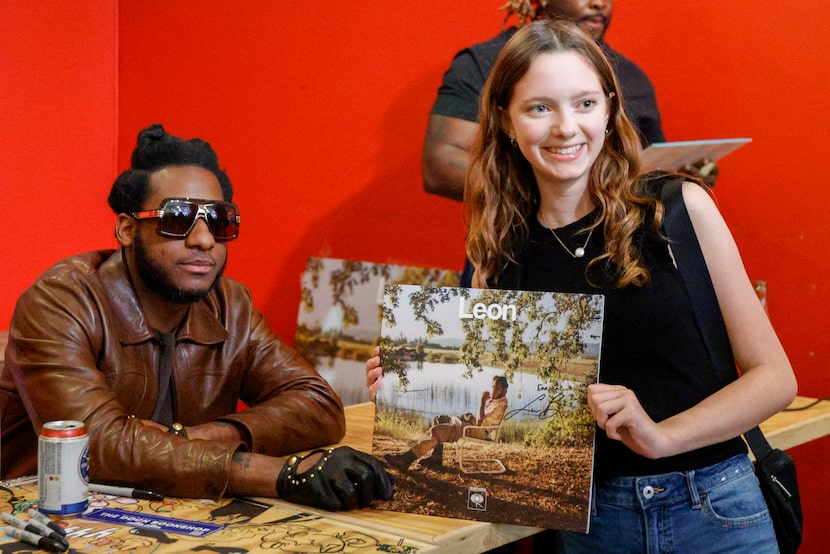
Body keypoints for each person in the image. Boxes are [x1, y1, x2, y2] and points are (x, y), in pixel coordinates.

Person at [372, 20, 796, 552]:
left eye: (585, 103)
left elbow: (775, 378)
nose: (566, 128)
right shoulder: (500, 249)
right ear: (505, 120)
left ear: (611, 108)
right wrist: (411, 390)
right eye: (539, 107)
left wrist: (664, 437)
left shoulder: (677, 210)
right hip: (586, 526)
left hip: (712, 509)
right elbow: (504, 419)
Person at [0, 124, 393, 512]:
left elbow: (318, 405)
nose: (204, 239)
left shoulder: (230, 304)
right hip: (40, 515)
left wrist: (190, 437)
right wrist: (280, 474)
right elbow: (93, 446)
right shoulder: (60, 302)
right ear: (127, 228)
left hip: (162, 510)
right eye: (178, 218)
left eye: (220, 221)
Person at [424, 0, 715, 286]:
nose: (598, 4)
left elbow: (648, 165)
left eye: (586, 103)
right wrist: (548, 189)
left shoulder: (633, 78)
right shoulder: (483, 62)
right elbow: (438, 164)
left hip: (621, 248)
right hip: (513, 247)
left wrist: (680, 174)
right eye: (539, 107)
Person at [383, 375, 508, 472]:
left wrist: (482, 401)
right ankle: (435, 459)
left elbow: (481, 422)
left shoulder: (500, 405)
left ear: (504, 391)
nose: (493, 390)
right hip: (472, 425)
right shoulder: (495, 400)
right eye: (493, 387)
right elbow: (481, 419)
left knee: (437, 431)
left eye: (497, 388)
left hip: (478, 431)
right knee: (440, 419)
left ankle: (405, 460)